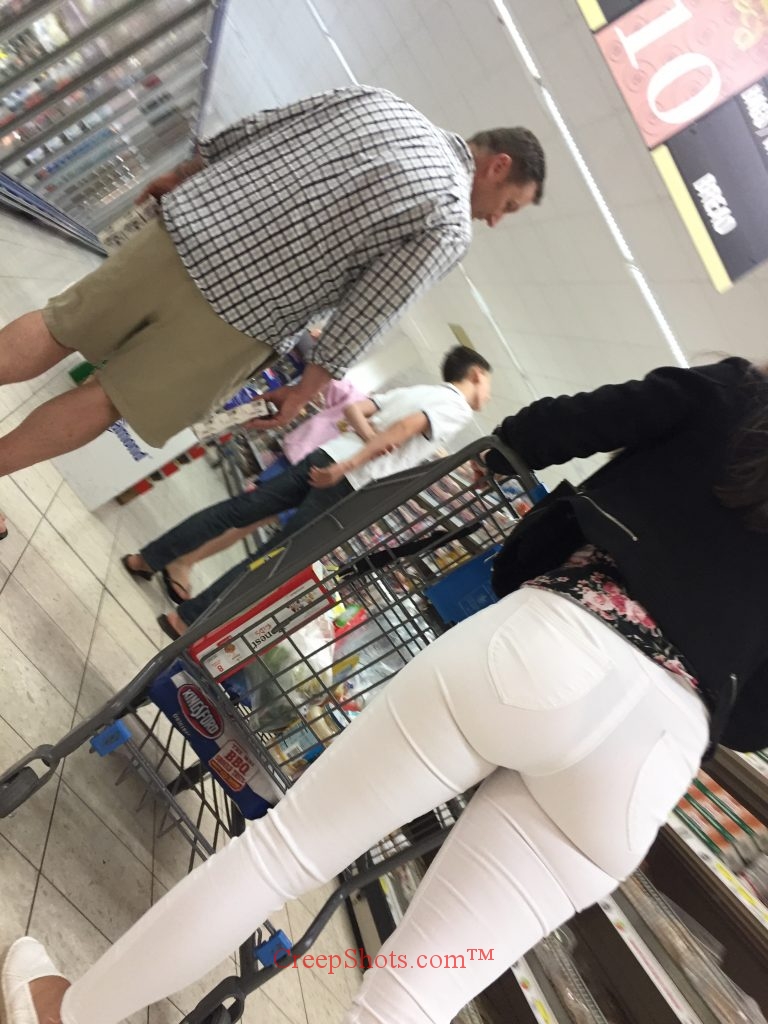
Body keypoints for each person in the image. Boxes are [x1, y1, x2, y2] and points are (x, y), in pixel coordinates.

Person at [5, 356, 768, 1024]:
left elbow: (572, 423)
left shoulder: (739, 392)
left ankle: (67, 1014)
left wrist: (507, 456)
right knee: (416, 997)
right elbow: (754, 722)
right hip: (659, 755)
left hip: (555, 646)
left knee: (284, 856)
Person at [0, 86, 545, 539]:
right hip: (238, 316)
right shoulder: (449, 219)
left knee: (59, 326)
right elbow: (371, 309)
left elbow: (260, 127)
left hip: (186, 228)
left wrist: (187, 171)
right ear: (498, 166)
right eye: (509, 206)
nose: (496, 220)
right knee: (109, 398)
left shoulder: (381, 102)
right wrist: (304, 393)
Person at [124, 346, 492, 636]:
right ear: (476, 375)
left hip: (326, 454)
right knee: (273, 558)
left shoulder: (422, 390)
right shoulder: (458, 408)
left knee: (239, 510)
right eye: (489, 384)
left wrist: (364, 440)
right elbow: (405, 429)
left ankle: (147, 559)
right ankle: (187, 619)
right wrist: (348, 466)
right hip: (348, 480)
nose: (489, 395)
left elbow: (356, 410)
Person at [152, 355, 370, 604]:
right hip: (301, 462)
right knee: (243, 517)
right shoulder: (363, 401)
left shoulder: (383, 423)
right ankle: (181, 560)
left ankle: (181, 560)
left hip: (325, 482)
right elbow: (327, 379)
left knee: (249, 522)